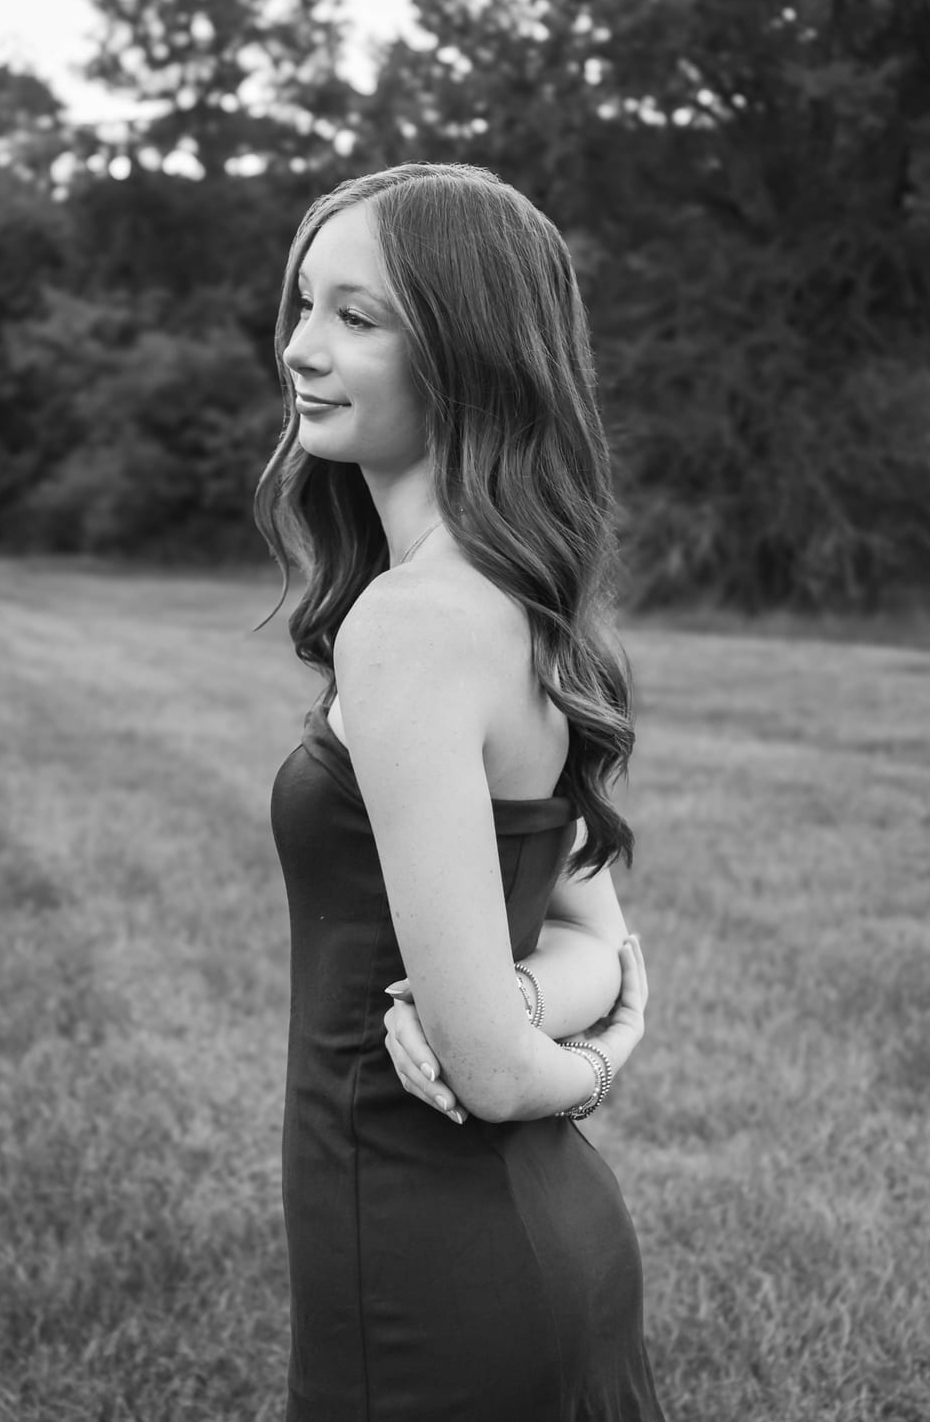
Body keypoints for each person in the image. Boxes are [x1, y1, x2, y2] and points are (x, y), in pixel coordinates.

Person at [257, 162, 664, 1422]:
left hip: (429, 1251)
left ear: (470, 354)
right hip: (536, 1233)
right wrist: (590, 1005)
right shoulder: (524, 602)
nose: (301, 351)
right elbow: (598, 938)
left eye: (357, 317)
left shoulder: (416, 622)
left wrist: (567, 1056)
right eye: (303, 306)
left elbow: (486, 1069)